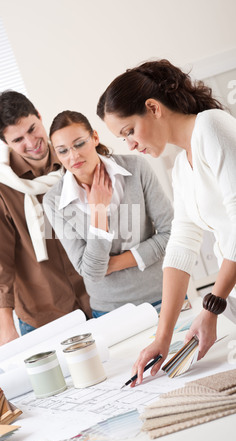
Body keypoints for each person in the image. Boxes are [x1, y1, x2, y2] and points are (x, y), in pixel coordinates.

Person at [97, 59, 236, 384]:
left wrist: (212, 306)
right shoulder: (181, 169)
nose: (129, 145)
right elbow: (181, 247)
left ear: (153, 108)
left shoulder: (212, 127)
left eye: (129, 131)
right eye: (122, 138)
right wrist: (162, 336)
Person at [0, 91, 91, 346]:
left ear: (40, 116)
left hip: (97, 299)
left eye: (33, 128)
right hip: (43, 316)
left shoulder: (73, 159)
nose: (32, 142)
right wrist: (6, 328)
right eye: (18, 139)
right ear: (5, 142)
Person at [43, 110, 173, 317]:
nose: (73, 156)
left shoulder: (136, 168)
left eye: (79, 144)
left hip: (165, 294)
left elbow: (171, 233)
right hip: (110, 311)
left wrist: (113, 264)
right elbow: (91, 272)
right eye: (63, 151)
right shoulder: (54, 201)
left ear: (94, 137)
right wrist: (99, 213)